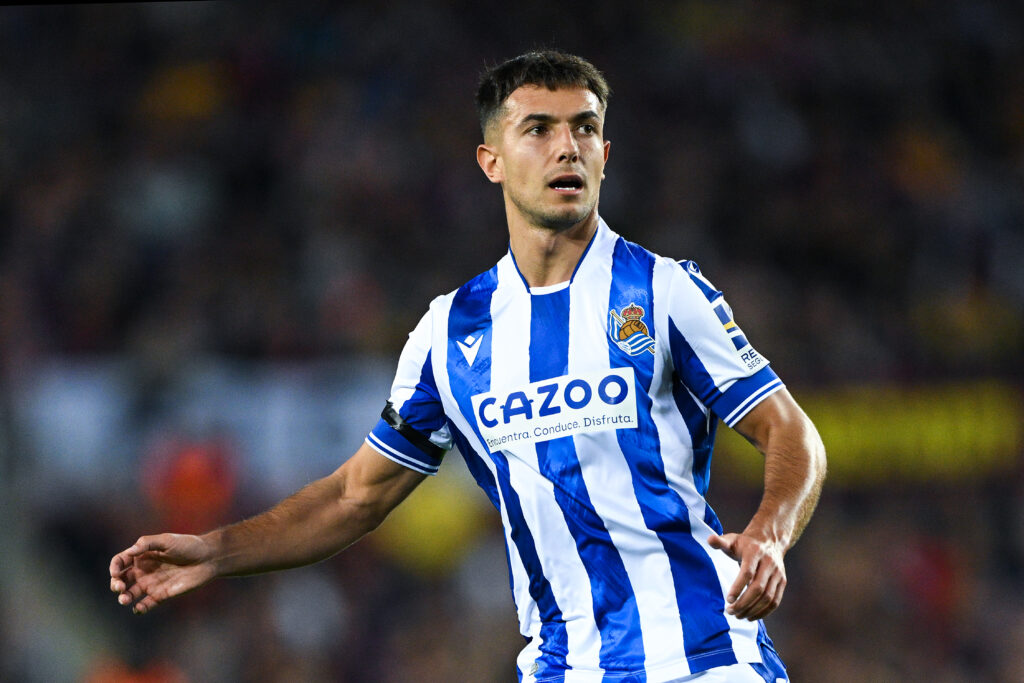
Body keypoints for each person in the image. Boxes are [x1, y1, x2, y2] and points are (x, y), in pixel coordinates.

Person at [110, 50, 826, 683]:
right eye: (538, 129)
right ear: (491, 161)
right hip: (562, 667)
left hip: (704, 657)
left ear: (605, 154)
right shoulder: (449, 333)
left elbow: (792, 433)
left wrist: (768, 532)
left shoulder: (665, 292)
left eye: (583, 128)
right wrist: (216, 550)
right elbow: (355, 497)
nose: (566, 147)